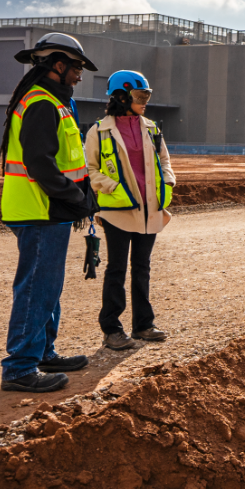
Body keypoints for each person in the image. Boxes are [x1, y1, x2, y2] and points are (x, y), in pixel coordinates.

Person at [0, 33, 97, 393]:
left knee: (48, 288)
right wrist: (76, 199)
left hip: (49, 210)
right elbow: (40, 164)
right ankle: (19, 368)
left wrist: (80, 197)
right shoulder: (41, 103)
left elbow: (65, 161)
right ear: (58, 65)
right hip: (39, 210)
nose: (80, 75)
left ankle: (42, 353)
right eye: (77, 67)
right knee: (37, 289)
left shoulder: (55, 102)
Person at [84, 70, 176, 350]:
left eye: (147, 96)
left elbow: (164, 160)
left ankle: (144, 325)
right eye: (140, 96)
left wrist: (169, 182)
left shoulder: (151, 128)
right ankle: (112, 329)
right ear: (121, 97)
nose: (145, 101)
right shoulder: (98, 130)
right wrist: (110, 186)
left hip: (149, 208)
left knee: (142, 267)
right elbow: (89, 169)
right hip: (118, 210)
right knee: (116, 268)